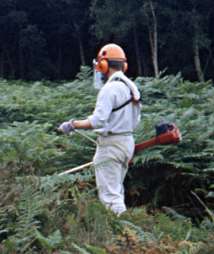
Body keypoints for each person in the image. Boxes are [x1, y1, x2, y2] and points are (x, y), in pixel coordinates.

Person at [59, 43, 141, 215]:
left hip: (110, 146)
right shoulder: (131, 87)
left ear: (104, 65)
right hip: (127, 144)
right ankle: (126, 233)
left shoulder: (110, 89)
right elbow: (136, 120)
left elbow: (97, 121)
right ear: (123, 65)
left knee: (111, 198)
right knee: (116, 191)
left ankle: (124, 236)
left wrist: (73, 124)